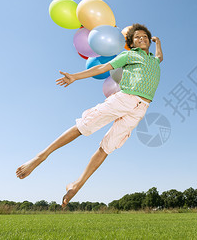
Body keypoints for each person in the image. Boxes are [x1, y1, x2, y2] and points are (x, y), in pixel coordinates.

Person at [16, 23, 163, 207]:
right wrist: (75, 76)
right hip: (125, 98)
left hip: (141, 108)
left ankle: (78, 184)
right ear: (132, 43)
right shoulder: (129, 55)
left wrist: (158, 42)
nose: (142, 39)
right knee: (84, 126)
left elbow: (159, 56)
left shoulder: (154, 60)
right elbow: (102, 68)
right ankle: (41, 156)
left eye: (145, 37)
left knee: (108, 147)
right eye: (137, 37)